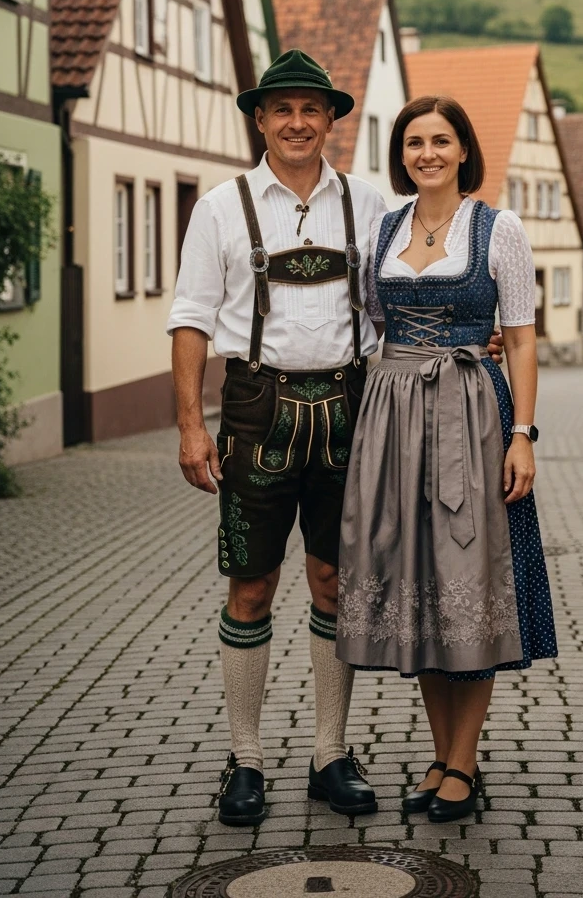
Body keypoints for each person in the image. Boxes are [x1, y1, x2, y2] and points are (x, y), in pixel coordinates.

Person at [167, 50, 386, 826]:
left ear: (332, 120)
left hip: (350, 407)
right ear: (260, 120)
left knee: (333, 583)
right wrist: (194, 424)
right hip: (256, 411)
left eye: (312, 108)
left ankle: (331, 751)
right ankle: (246, 757)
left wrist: (473, 334)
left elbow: (410, 292)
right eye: (282, 109)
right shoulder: (221, 208)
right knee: (252, 586)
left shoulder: (369, 202)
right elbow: (191, 319)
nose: (297, 122)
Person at [337, 94, 558, 823]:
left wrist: (523, 432)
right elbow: (374, 325)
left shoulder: (500, 230)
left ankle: (464, 763)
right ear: (401, 155)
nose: (426, 153)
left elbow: (520, 337)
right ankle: (440, 754)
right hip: (395, 418)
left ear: (464, 149)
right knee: (422, 593)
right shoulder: (382, 230)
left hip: (472, 413)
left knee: (473, 583)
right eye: (412, 142)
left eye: (440, 140)